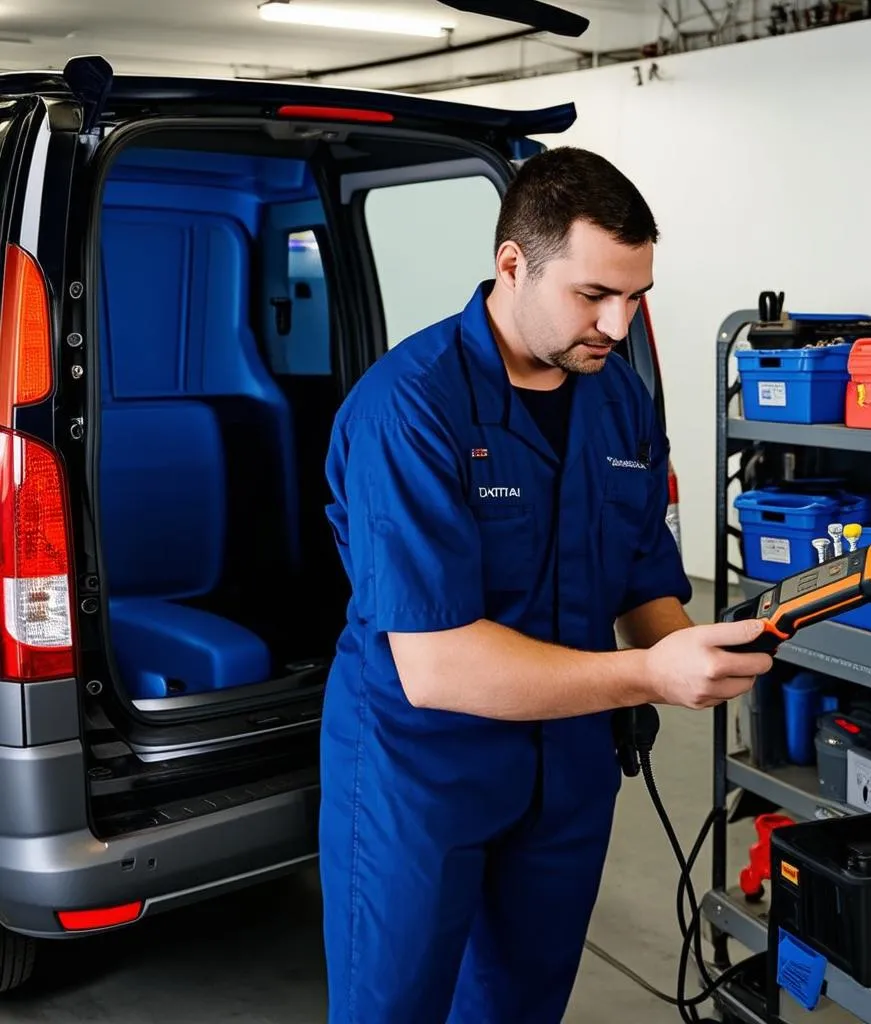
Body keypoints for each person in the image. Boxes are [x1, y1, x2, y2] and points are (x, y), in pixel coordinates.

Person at [319, 145, 772, 1023]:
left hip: (566, 772)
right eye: (593, 294)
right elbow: (437, 666)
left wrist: (698, 648)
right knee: (395, 1008)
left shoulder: (618, 400)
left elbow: (642, 580)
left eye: (635, 296)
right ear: (511, 265)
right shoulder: (408, 410)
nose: (618, 321)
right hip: (422, 772)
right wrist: (650, 677)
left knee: (521, 1007)